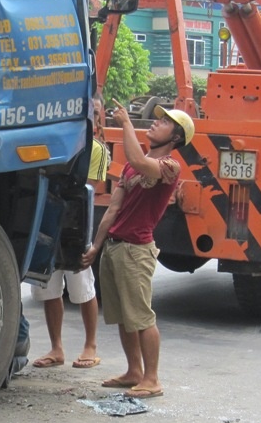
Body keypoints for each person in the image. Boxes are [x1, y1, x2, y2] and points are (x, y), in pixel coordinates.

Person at [80, 101, 192, 397]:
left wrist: (127, 123)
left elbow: (142, 163)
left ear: (175, 138)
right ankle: (134, 371)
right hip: (115, 248)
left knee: (141, 317)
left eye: (164, 122)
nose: (155, 123)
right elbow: (113, 209)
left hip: (136, 251)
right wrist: (96, 247)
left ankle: (152, 379)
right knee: (123, 317)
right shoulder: (131, 167)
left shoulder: (169, 167)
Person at [30, 97, 110, 370]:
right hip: (47, 220)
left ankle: (91, 345)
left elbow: (87, 190)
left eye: (95, 113)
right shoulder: (56, 142)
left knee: (83, 288)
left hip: (75, 225)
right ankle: (57, 348)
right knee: (48, 288)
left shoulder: (96, 149)